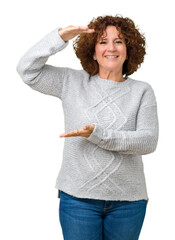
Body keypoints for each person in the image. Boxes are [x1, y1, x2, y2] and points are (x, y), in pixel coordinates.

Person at [16, 15, 159, 240]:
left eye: (119, 41)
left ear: (128, 50)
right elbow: (27, 70)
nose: (110, 48)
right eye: (102, 42)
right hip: (77, 199)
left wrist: (97, 135)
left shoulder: (142, 91)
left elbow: (147, 141)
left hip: (128, 203)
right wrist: (59, 37)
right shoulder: (70, 82)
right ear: (92, 51)